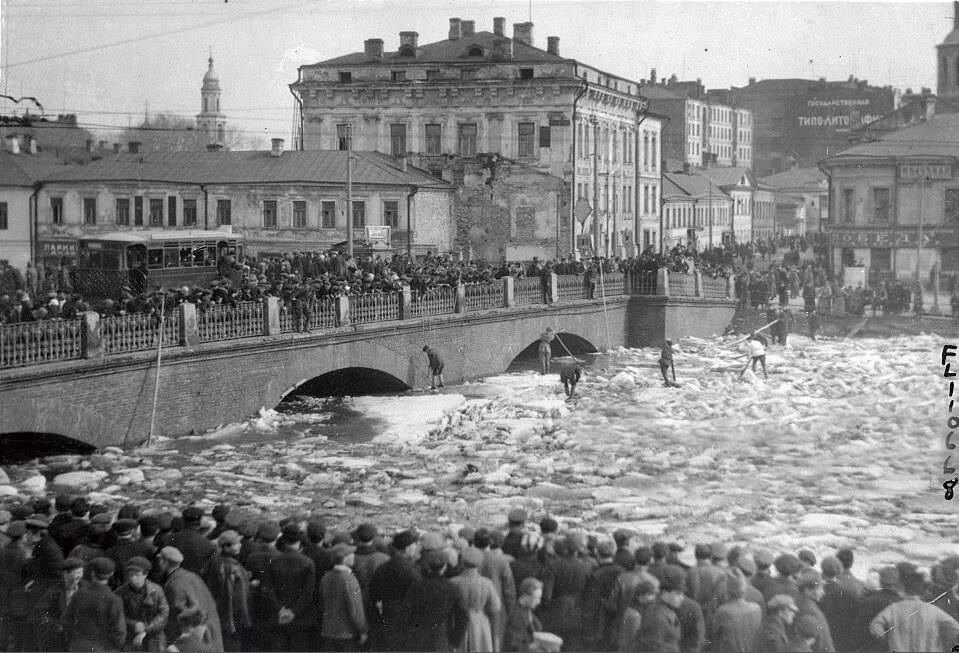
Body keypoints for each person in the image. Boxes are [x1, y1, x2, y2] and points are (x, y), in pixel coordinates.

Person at [60, 557, 126, 652]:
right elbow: (119, 632)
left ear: (92, 573)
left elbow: (66, 620)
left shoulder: (79, 594)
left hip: (78, 646)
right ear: (111, 574)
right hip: (103, 648)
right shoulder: (114, 600)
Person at [115, 556, 170, 652]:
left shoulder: (156, 590)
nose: (132, 578)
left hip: (154, 637)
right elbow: (117, 615)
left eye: (136, 575)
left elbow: (164, 614)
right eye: (130, 575)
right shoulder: (120, 593)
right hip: (130, 637)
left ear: (145, 574)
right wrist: (133, 624)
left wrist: (146, 629)